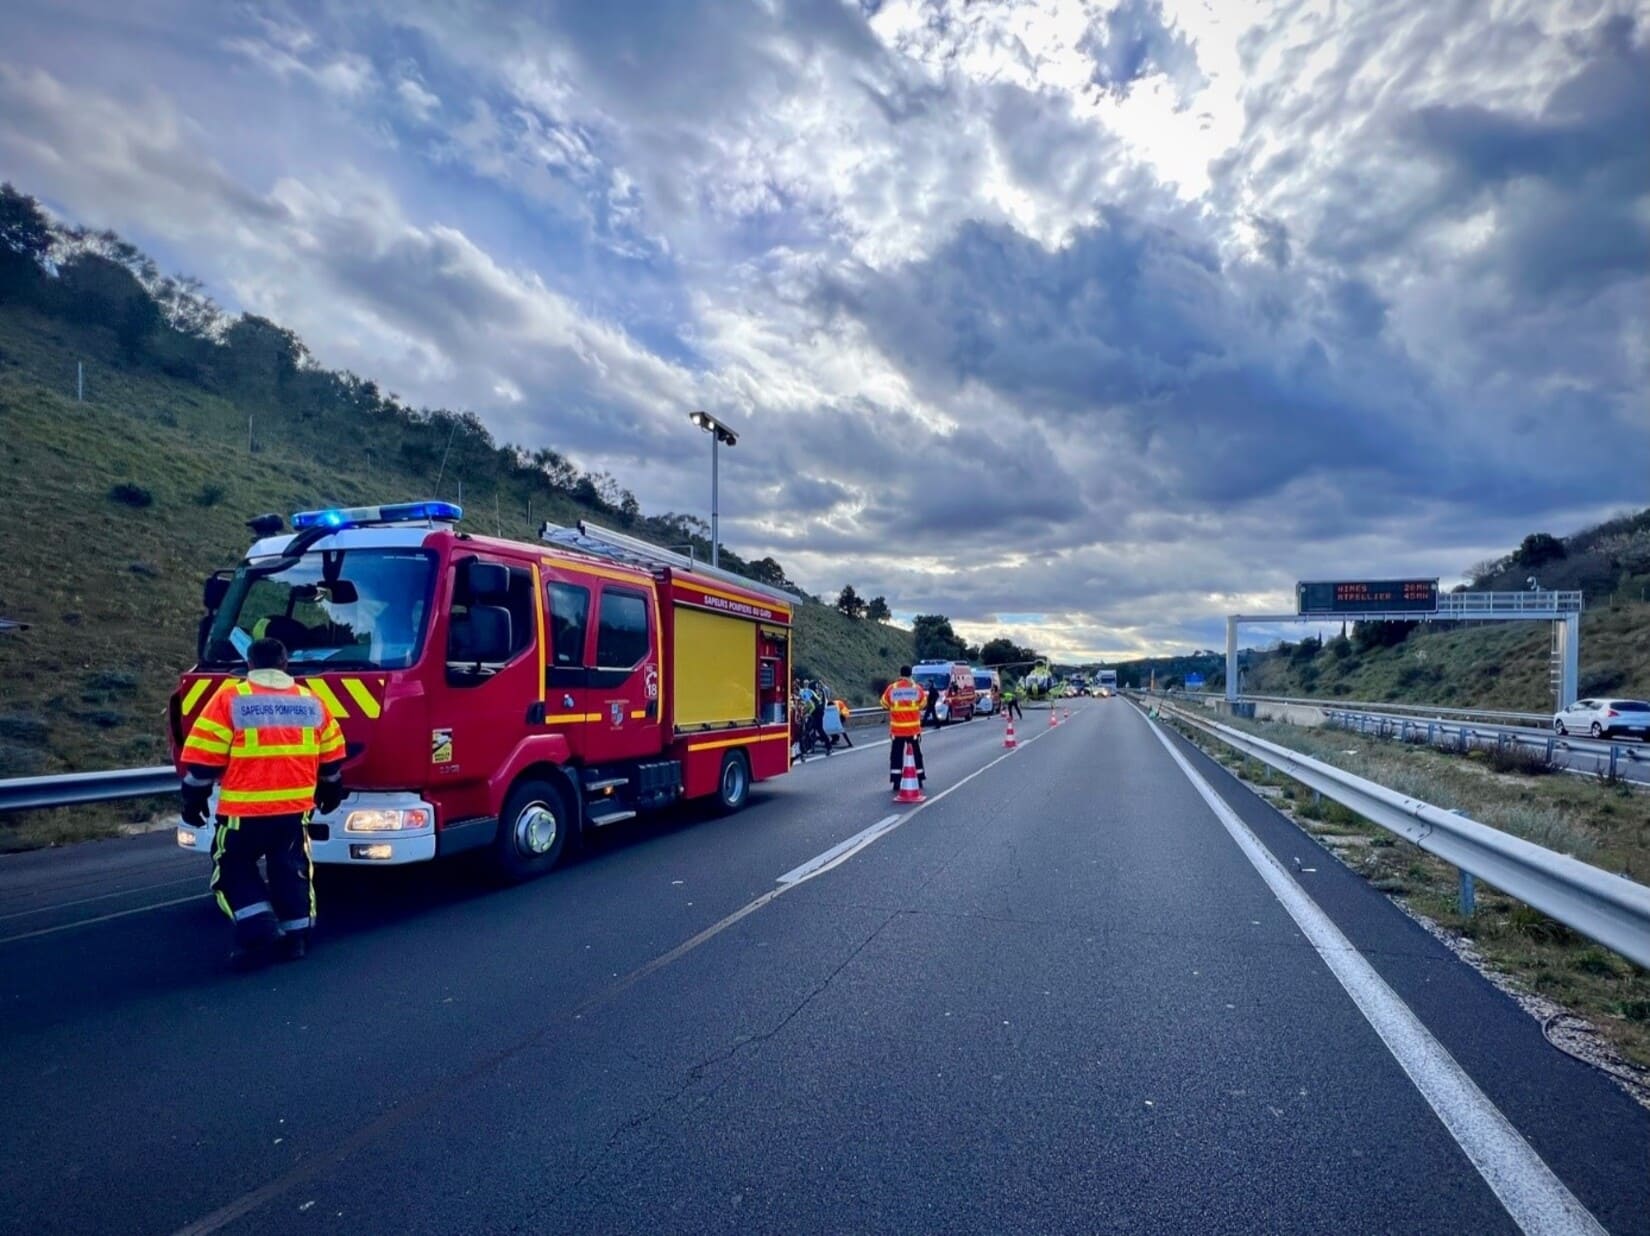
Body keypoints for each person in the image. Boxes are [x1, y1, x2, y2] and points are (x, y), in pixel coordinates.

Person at [180, 637, 346, 966]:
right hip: (293, 812)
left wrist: (193, 798)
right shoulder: (309, 701)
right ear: (285, 664)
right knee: (291, 870)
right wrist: (331, 789)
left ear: (250, 665)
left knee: (231, 868)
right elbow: (331, 757)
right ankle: (297, 937)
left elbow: (203, 760)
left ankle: (257, 924)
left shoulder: (231, 699)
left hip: (244, 812)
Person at [880, 667, 927, 794]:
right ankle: (920, 778)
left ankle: (896, 781)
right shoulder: (916, 688)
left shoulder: (892, 688)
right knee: (916, 754)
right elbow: (923, 703)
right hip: (912, 729)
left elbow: (884, 703)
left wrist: (894, 707)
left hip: (897, 730)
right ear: (910, 674)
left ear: (900, 674)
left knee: (896, 755)